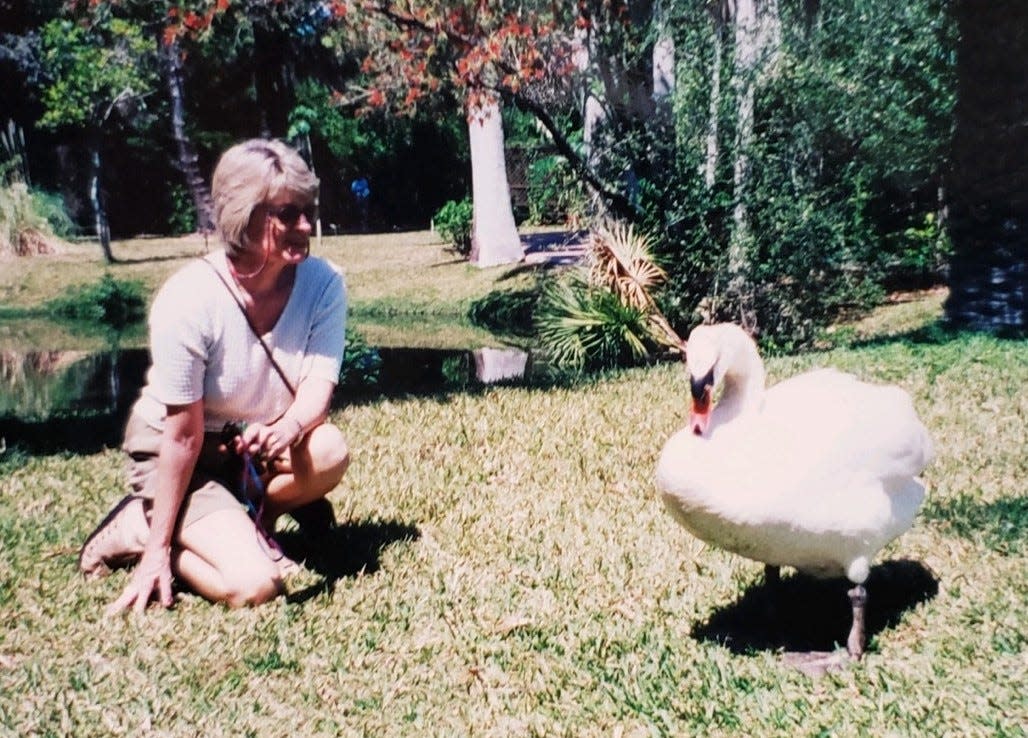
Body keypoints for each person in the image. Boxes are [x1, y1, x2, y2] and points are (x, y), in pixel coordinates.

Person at [79, 139, 350, 613]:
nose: (305, 226)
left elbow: (316, 390)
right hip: (174, 449)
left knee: (328, 450)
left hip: (240, 446)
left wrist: (286, 428)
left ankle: (250, 520)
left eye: (309, 211)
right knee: (255, 586)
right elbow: (180, 438)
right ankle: (141, 530)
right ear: (245, 215)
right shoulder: (189, 300)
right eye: (287, 214)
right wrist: (159, 553)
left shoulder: (323, 282)